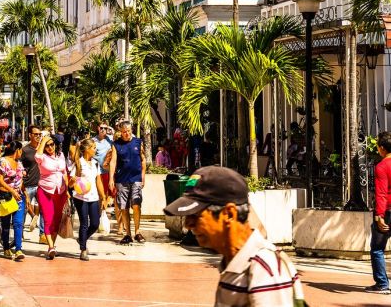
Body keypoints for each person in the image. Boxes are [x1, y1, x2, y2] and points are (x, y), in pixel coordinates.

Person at [164, 166, 305, 306]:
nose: (188, 225)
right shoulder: (233, 262)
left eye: (196, 216)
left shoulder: (263, 267)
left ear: (229, 214)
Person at [109, 120, 146, 245]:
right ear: (120, 132)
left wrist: (143, 176)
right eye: (124, 132)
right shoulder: (116, 144)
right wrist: (110, 178)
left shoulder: (138, 142)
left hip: (136, 178)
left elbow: (143, 160)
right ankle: (128, 234)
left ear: (132, 131)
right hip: (122, 179)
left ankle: (137, 231)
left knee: (136, 204)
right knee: (123, 207)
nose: (126, 134)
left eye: (129, 131)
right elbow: (113, 162)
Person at [70, 138, 106, 261]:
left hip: (94, 197)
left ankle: (81, 239)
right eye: (94, 148)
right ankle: (83, 250)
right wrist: (72, 181)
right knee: (84, 224)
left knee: (95, 223)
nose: (95, 150)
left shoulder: (95, 163)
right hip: (81, 198)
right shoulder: (78, 163)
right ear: (87, 149)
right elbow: (70, 183)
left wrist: (103, 197)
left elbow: (98, 181)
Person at [35, 133, 69, 260]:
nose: (50, 147)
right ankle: (50, 247)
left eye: (52, 144)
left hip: (60, 192)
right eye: (47, 146)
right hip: (45, 191)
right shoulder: (42, 157)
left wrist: (68, 190)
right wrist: (44, 140)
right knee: (48, 219)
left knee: (57, 220)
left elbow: (64, 172)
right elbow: (37, 155)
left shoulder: (61, 155)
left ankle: (52, 246)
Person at [366, 131, 391, 295]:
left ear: (382, 148)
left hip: (387, 211)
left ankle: (382, 283)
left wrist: (379, 216)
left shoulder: (382, 166)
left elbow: (381, 193)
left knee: (377, 248)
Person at [0, 141, 26, 261]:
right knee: (6, 224)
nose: (21, 153)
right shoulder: (3, 162)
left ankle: (18, 249)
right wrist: (12, 191)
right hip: (6, 196)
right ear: (17, 150)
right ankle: (6, 247)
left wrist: (25, 195)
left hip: (19, 197)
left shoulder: (19, 163)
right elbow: (1, 181)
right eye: (21, 150)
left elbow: (21, 179)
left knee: (18, 223)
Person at [21, 124, 44, 238]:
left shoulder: (44, 149)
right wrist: (22, 172)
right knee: (24, 209)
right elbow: (18, 164)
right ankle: (20, 233)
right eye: (36, 134)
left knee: (44, 210)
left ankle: (43, 234)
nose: (38, 136)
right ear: (30, 135)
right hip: (28, 184)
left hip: (41, 184)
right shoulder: (25, 150)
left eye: (40, 134)